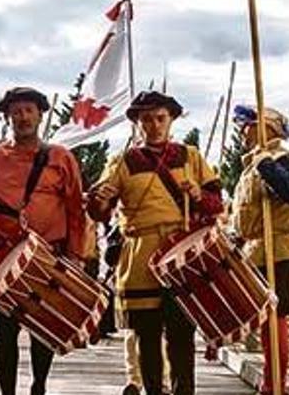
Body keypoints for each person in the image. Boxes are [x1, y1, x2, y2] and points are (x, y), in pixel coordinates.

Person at [87, 91, 223, 395]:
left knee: (181, 337)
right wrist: (102, 200)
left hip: (182, 253)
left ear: (171, 119)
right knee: (146, 336)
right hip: (140, 255)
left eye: (160, 118)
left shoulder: (190, 156)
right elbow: (98, 211)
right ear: (137, 123)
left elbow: (217, 205)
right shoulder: (122, 161)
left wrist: (199, 196)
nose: (154, 124)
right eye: (146, 119)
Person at [0, 86, 89, 395]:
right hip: (2, 256)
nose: (23, 117)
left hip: (48, 254)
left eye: (29, 110)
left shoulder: (61, 157)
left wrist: (76, 255)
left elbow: (75, 209)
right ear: (8, 117)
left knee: (42, 329)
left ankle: (39, 387)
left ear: (40, 115)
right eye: (16, 112)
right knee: (5, 330)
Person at [229, 105, 289, 394]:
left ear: (266, 128)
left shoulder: (280, 159)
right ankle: (269, 380)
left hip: (280, 250)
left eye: (248, 125)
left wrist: (268, 167)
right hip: (256, 251)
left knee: (275, 319)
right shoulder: (251, 165)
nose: (241, 132)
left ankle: (276, 385)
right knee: (264, 321)